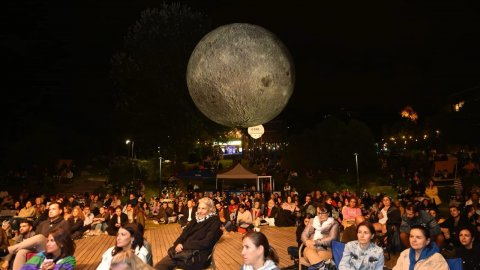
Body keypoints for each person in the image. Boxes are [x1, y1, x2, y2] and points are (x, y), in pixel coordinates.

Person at [155, 197, 222, 270]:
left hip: (196, 256)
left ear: (210, 209)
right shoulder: (196, 219)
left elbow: (206, 243)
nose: (199, 211)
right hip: (184, 252)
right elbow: (184, 234)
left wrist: (184, 246)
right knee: (160, 266)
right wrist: (178, 243)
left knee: (161, 266)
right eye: (199, 208)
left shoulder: (214, 222)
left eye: (203, 209)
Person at [1, 202, 70, 269]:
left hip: (55, 247)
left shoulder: (64, 223)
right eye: (49, 209)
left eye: (53, 209)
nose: (50, 211)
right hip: (40, 247)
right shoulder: (44, 223)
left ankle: (8, 250)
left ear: (60, 211)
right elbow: (36, 236)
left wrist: (44, 238)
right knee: (22, 251)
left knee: (40, 237)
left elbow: (62, 240)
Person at [301, 204, 340, 269]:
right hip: (310, 248)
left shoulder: (334, 223)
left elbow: (332, 239)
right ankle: (323, 267)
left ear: (328, 213)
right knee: (308, 251)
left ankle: (320, 266)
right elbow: (304, 234)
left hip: (326, 249)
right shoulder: (312, 221)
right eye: (318, 213)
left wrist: (315, 242)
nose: (320, 215)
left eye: (323, 213)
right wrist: (306, 241)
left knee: (317, 257)